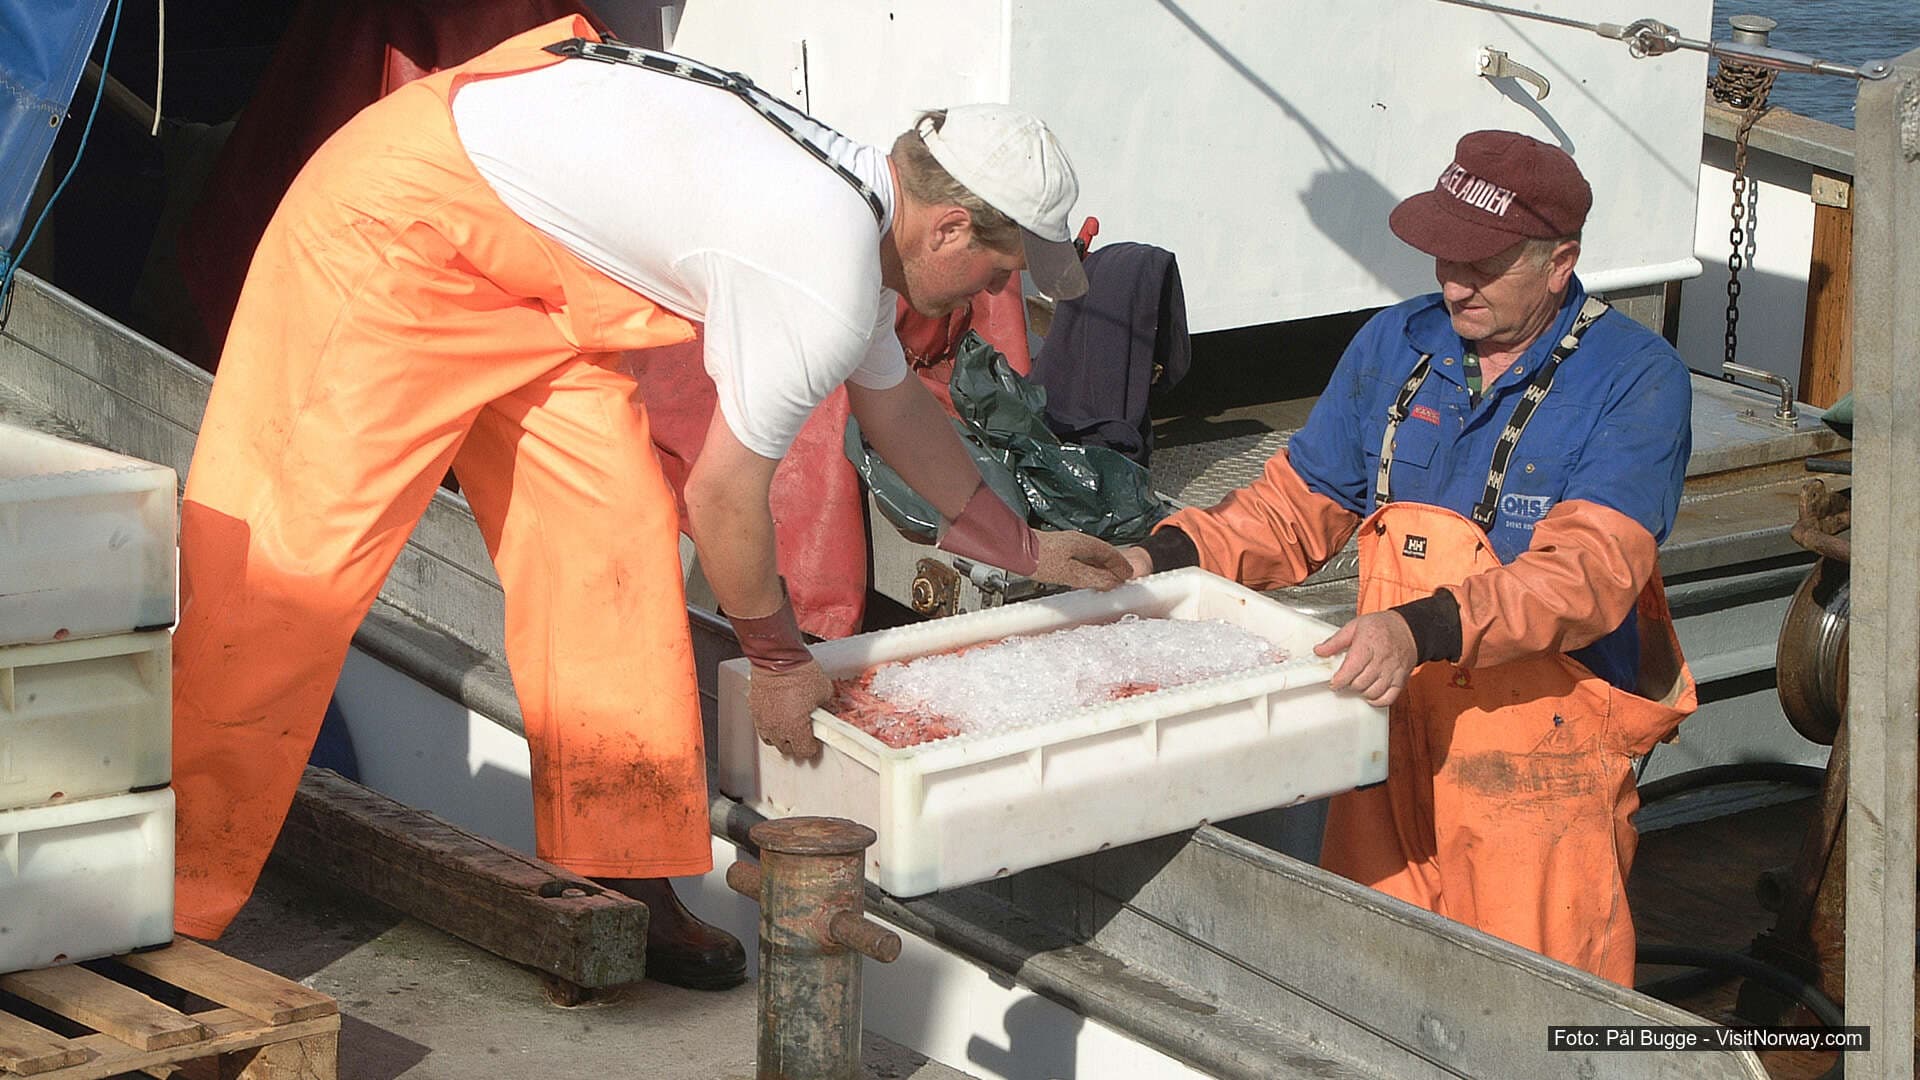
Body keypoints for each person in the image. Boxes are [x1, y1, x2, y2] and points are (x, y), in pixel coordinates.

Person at [172, 15, 1130, 992]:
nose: (998, 292)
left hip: (536, 275)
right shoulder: (825, 263)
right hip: (397, 228)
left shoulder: (863, 216)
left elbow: (895, 418)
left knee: (613, 556)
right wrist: (777, 660)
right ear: (952, 227)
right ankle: (163, 902)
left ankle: (619, 877)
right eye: (1003, 271)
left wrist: (1024, 547)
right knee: (282, 582)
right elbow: (723, 499)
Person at [1122, 131, 1698, 984]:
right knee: (1370, 989)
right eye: (1442, 256)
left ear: (1558, 261)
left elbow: (1590, 574)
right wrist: (1164, 553)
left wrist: (1420, 628)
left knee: (1530, 1012)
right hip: (1382, 736)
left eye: (1483, 262)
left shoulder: (1637, 378)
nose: (1453, 281)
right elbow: (1293, 508)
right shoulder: (1396, 344)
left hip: (1537, 772)